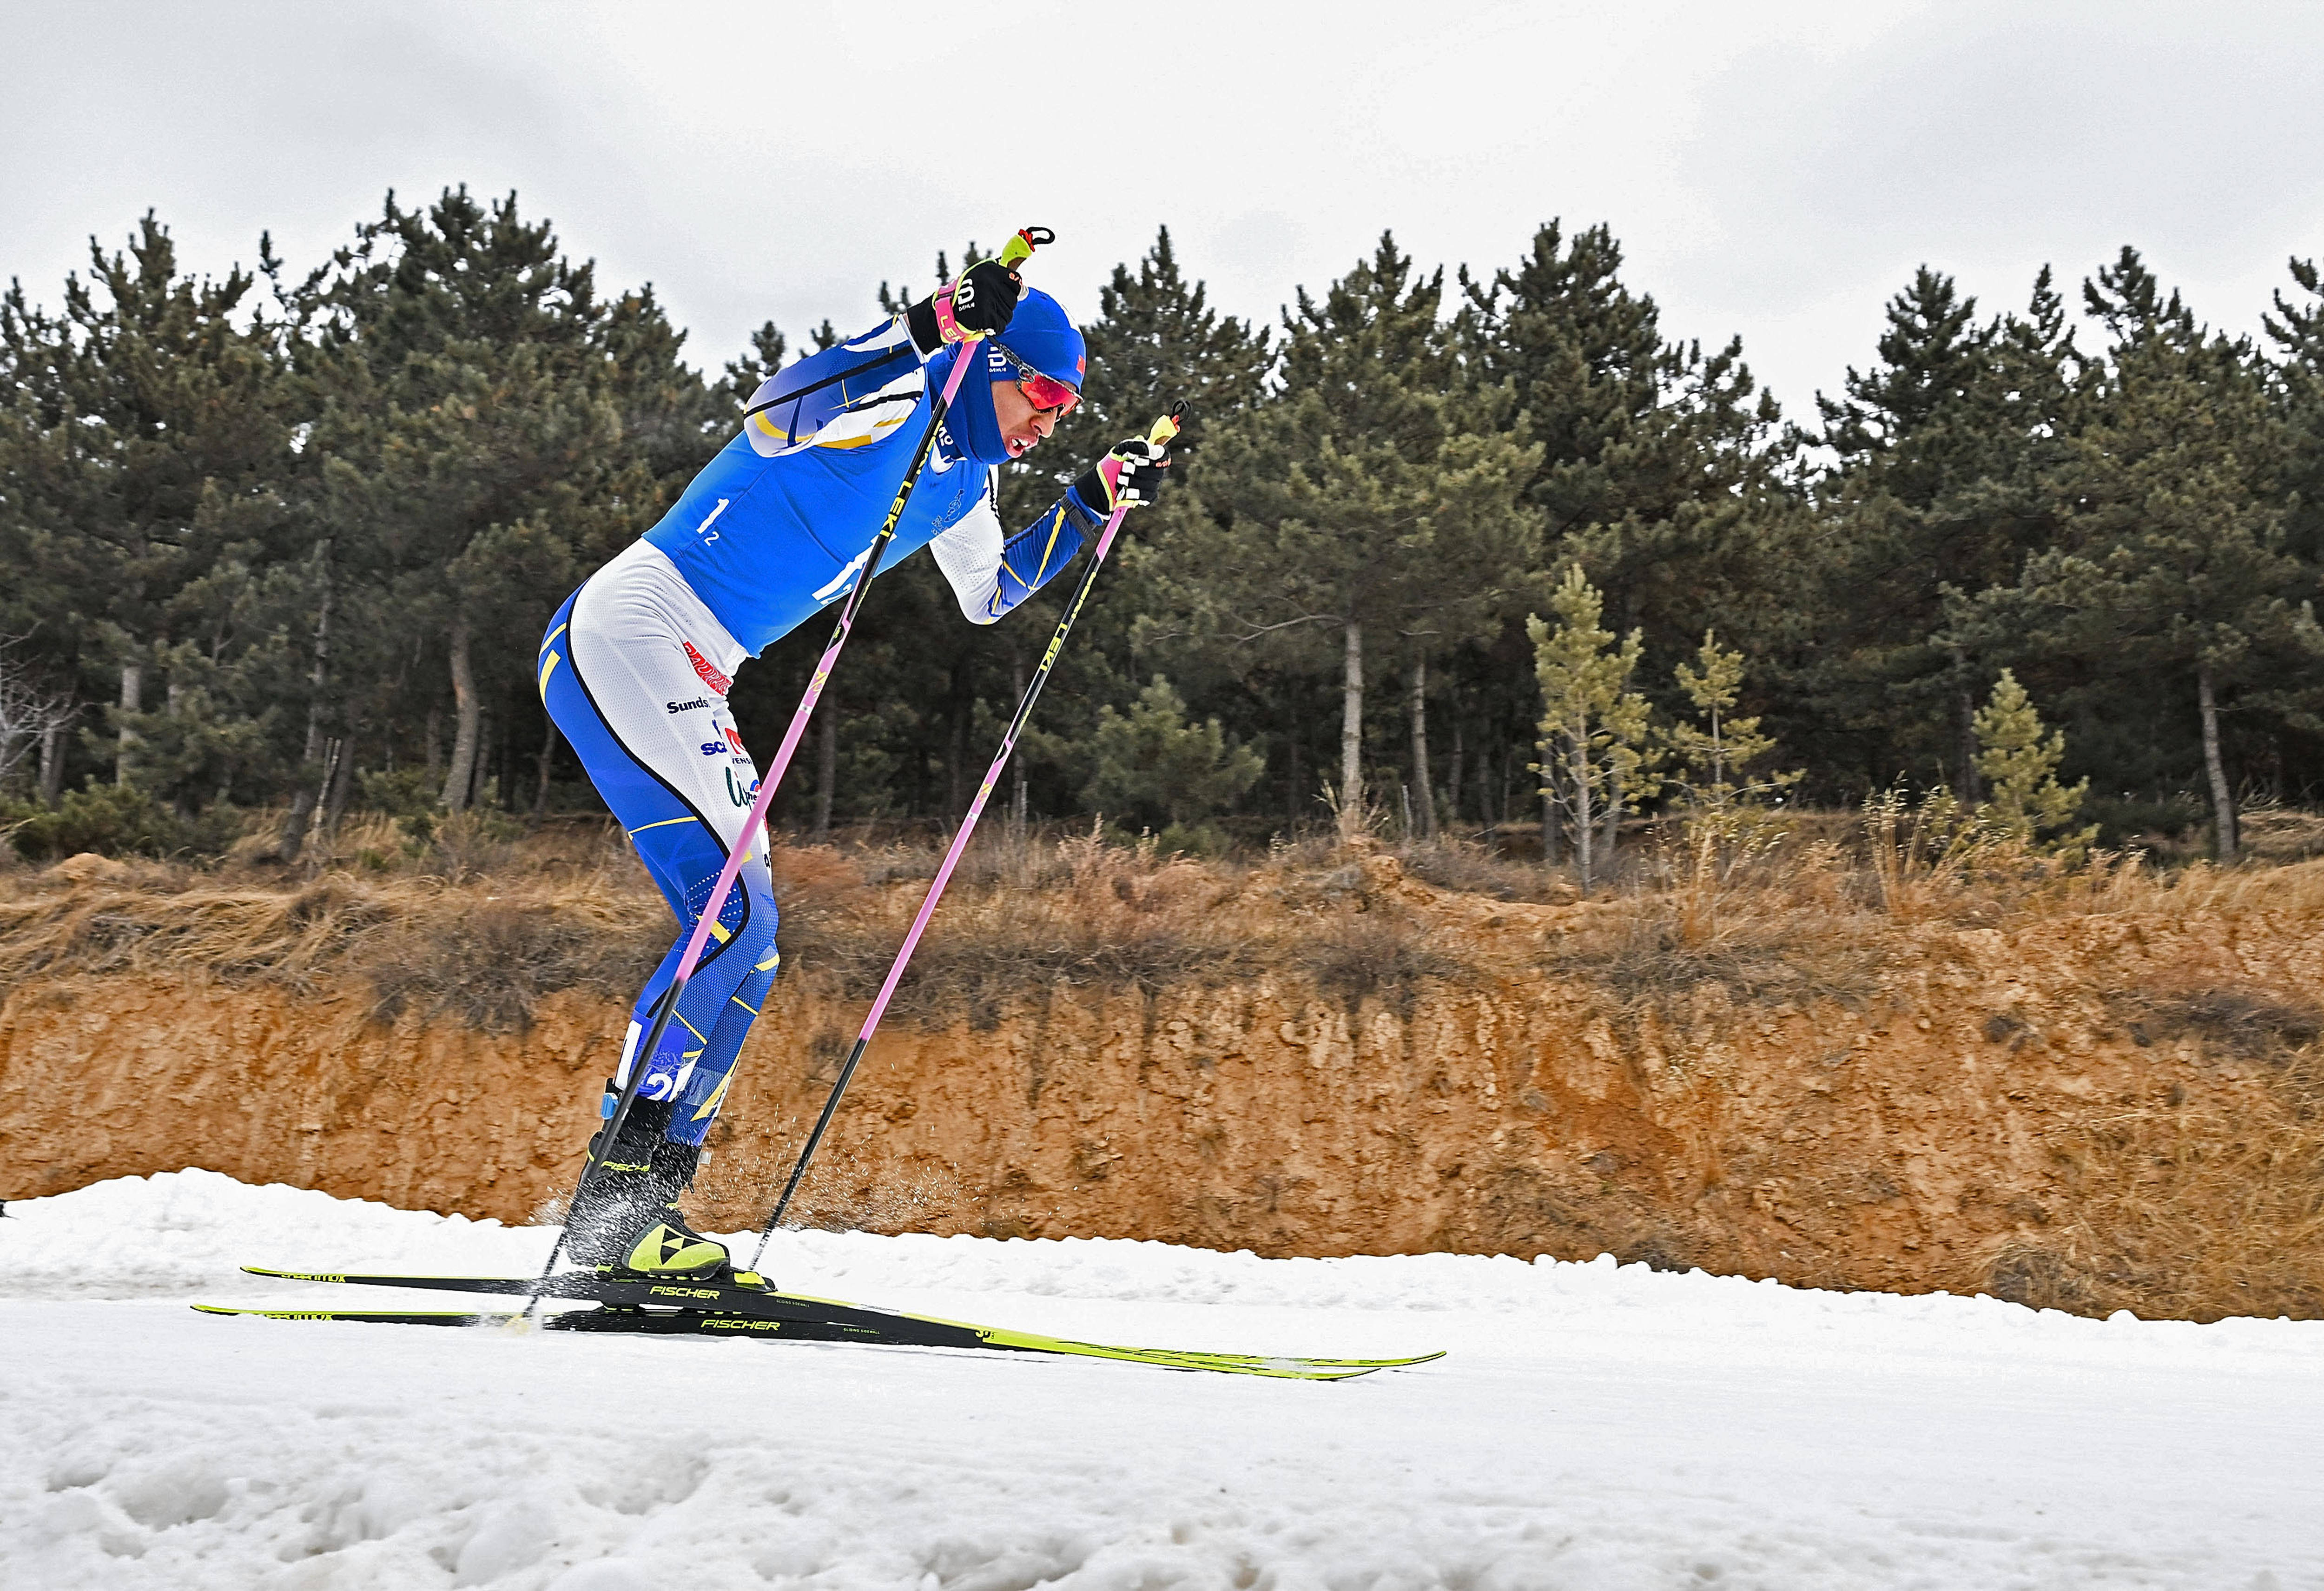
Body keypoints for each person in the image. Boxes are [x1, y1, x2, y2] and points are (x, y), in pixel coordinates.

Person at [535, 250, 1168, 1281]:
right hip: (636, 628)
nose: (1051, 423)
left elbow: (992, 594)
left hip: (694, 667)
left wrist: (1090, 501)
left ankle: (642, 1209)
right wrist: (929, 324)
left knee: (752, 948)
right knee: (731, 922)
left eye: (1068, 410)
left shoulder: (966, 480)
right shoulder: (898, 395)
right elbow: (772, 414)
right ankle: (610, 1212)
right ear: (991, 362)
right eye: (1046, 397)